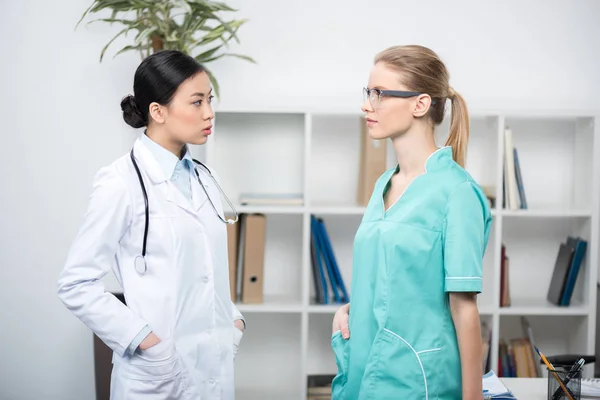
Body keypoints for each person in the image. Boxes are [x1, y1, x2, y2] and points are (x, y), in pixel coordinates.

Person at [57, 49, 245, 400]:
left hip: (213, 369)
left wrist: (232, 322)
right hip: (156, 375)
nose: (209, 113)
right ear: (157, 111)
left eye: (210, 100)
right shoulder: (120, 182)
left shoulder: (206, 177)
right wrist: (144, 340)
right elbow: (76, 282)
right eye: (196, 102)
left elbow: (207, 272)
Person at [330, 45, 492, 400]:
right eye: (368, 93)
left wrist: (472, 397)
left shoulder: (457, 192)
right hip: (365, 369)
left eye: (380, 94)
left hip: (417, 380)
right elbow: (397, 282)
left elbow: (464, 308)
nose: (366, 105)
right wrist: (350, 311)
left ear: (419, 104)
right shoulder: (384, 183)